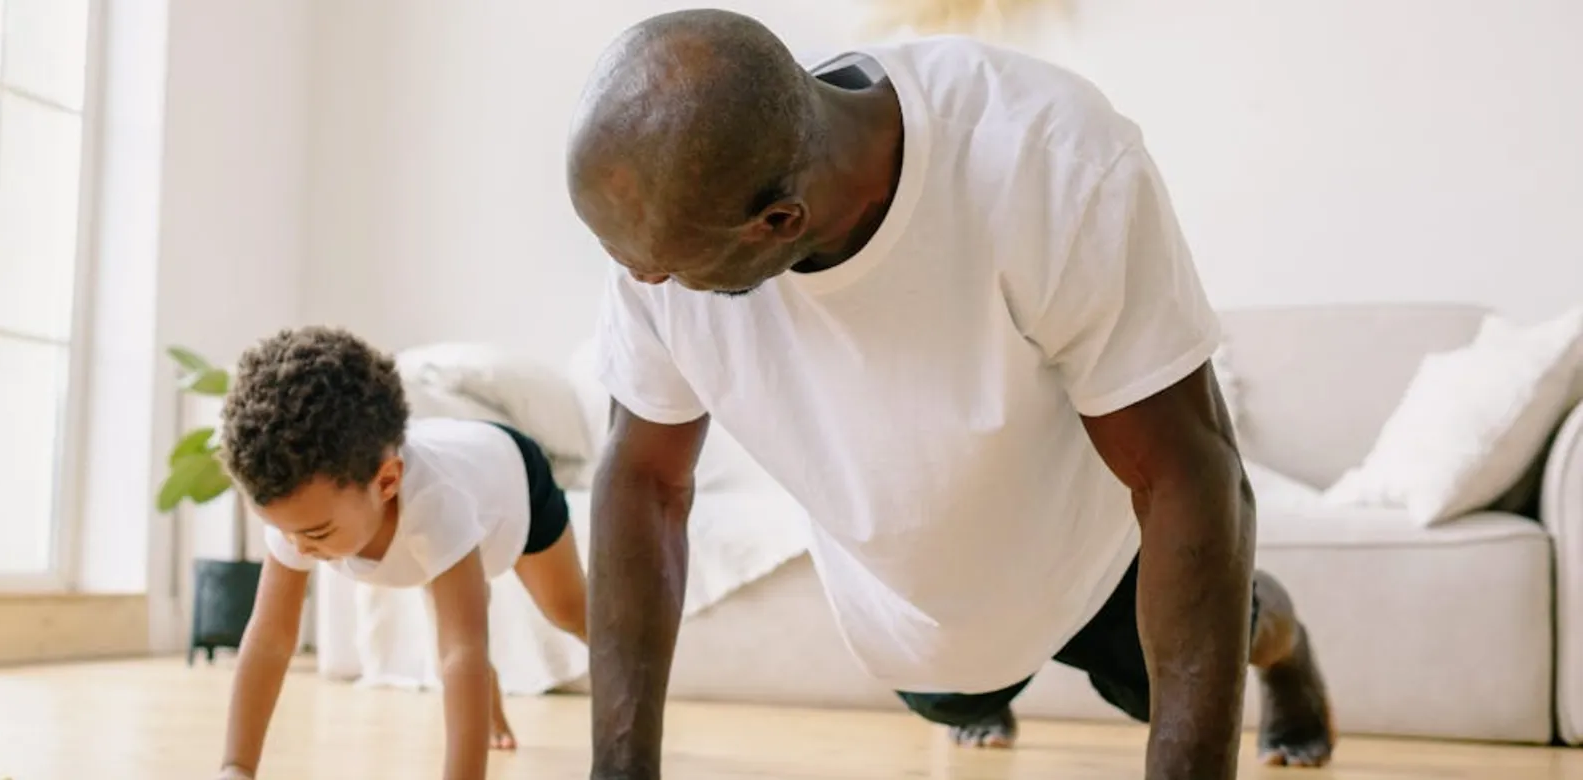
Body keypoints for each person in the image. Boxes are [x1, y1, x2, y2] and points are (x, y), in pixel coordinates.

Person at [564, 10, 1334, 779]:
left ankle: (1286, 645)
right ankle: (977, 691)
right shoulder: (664, 215)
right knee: (958, 706)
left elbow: (1189, 475)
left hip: (1091, 554)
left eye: (662, 266)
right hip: (920, 604)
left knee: (1209, 657)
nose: (642, 280)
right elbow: (646, 484)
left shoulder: (1050, 160)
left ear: (778, 221)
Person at [212, 326, 588, 780]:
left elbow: (460, 651)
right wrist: (236, 766)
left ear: (386, 482)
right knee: (452, 606)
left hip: (512, 477)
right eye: (280, 530)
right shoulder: (298, 510)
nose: (297, 547)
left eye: (315, 532)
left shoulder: (437, 504)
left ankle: (631, 683)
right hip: (446, 471)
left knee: (566, 611)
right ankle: (486, 701)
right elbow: (270, 638)